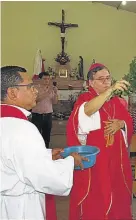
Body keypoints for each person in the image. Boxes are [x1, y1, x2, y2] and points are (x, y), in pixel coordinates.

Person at [0, 66, 85, 220]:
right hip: (20, 208)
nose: (35, 90)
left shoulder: (6, 122)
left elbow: (11, 157)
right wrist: (71, 161)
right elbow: (45, 176)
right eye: (30, 86)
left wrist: (45, 154)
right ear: (12, 92)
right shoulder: (23, 129)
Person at [66, 63, 133, 220]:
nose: (106, 82)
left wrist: (121, 124)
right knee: (98, 196)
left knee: (117, 194)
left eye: (108, 78)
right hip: (97, 161)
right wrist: (110, 90)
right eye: (101, 79)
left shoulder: (116, 101)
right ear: (91, 82)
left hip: (116, 159)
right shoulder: (86, 99)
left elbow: (128, 120)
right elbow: (87, 111)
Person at [32, 71, 58, 148]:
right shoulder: (35, 88)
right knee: (36, 135)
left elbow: (55, 102)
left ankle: (46, 150)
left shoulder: (51, 89)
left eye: (48, 79)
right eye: (44, 79)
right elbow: (36, 100)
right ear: (40, 79)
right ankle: (36, 150)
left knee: (47, 135)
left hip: (48, 115)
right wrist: (48, 92)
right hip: (37, 115)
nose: (47, 81)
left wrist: (55, 93)